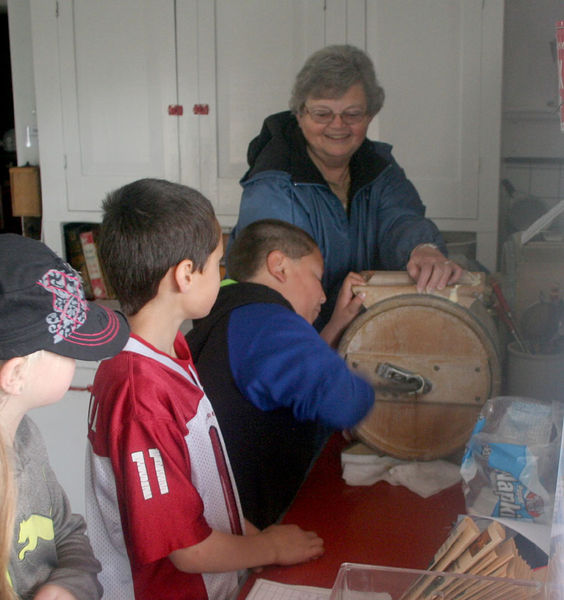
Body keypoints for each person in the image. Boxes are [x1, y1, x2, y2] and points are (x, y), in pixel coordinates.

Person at [85, 179, 324, 600]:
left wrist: (256, 539)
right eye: (218, 265)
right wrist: (269, 546)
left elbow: (200, 489)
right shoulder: (138, 390)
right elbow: (186, 549)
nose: (222, 275)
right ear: (186, 275)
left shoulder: (170, 352)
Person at [229, 44, 464, 327]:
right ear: (300, 114)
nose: (337, 125)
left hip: (362, 331)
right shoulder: (272, 188)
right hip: (302, 344)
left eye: (352, 114)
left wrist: (421, 247)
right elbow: (279, 309)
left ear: (370, 115)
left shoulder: (381, 168)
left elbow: (400, 218)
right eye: (322, 114)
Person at [187, 219, 375, 529]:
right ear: (279, 266)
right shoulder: (268, 321)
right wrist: (378, 391)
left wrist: (335, 326)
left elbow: (279, 378)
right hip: (252, 537)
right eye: (317, 277)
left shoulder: (230, 314)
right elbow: (344, 401)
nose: (323, 296)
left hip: (221, 523)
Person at [0, 233, 130, 600]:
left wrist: (66, 587)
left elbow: (68, 534)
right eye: (68, 348)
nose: (75, 360)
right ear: (15, 374)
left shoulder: (25, 436)